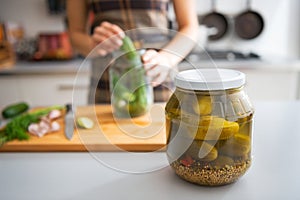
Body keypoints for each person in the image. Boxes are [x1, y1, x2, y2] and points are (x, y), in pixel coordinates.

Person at [66, 0, 198, 104]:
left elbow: (190, 27)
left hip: (158, 74)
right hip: (107, 81)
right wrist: (92, 45)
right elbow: (75, 35)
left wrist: (167, 59)